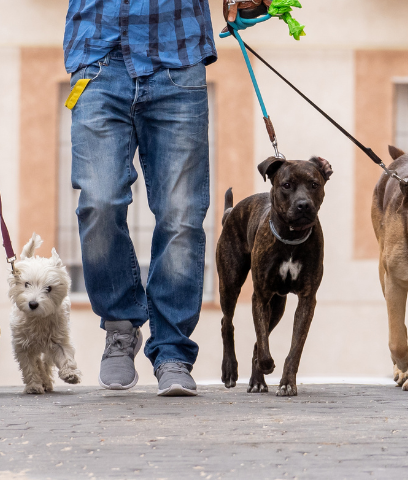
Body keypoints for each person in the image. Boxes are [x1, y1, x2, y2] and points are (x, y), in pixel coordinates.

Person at [63, 0, 270, 396]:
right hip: (98, 61)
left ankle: (172, 351)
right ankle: (121, 327)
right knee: (99, 202)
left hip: (176, 60)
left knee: (182, 214)